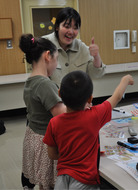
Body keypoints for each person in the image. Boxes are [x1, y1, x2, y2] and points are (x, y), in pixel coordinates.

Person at [43, 70, 134, 190]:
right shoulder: (94, 116)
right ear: (90, 99)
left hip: (62, 179)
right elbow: (116, 97)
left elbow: (52, 154)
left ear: (59, 94)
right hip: (85, 181)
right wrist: (125, 79)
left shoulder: (54, 123)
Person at [19, 33, 66, 190]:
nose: (56, 64)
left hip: (34, 137)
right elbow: (63, 116)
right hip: (47, 142)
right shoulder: (45, 84)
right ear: (48, 56)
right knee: (51, 184)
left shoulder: (31, 81)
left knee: (44, 183)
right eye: (56, 59)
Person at [43, 7, 106, 87]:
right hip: (53, 98)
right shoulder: (45, 44)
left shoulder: (81, 47)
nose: (71, 32)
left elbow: (97, 74)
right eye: (67, 26)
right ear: (57, 27)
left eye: (75, 28)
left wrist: (96, 56)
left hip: (79, 98)